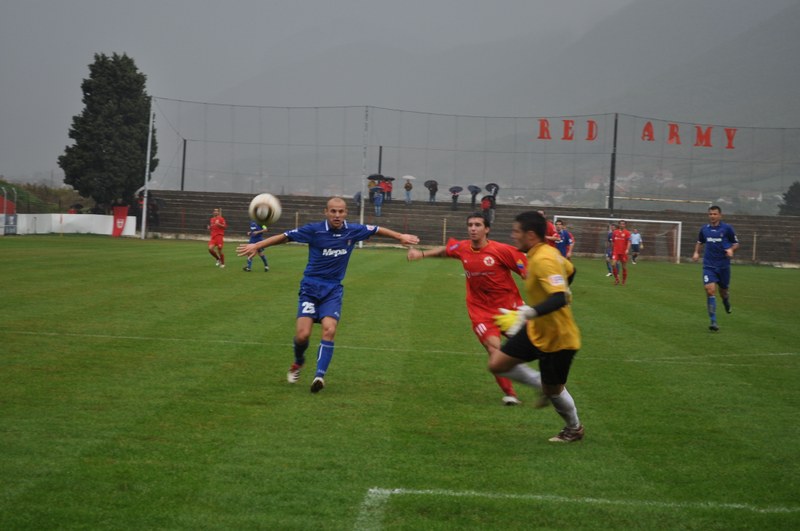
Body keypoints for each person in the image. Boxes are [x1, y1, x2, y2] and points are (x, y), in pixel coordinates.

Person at [236, 197, 420, 393]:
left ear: (346, 213)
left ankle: (319, 377)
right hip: (310, 287)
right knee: (302, 335)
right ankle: (298, 362)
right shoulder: (314, 230)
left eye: (341, 211)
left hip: (332, 290)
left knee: (329, 330)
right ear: (326, 212)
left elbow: (376, 229)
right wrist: (257, 245)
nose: (337, 215)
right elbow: (285, 236)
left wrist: (400, 236)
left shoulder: (353, 230)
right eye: (333, 211)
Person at [407, 212, 538, 406]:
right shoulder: (463, 247)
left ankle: (549, 382)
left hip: (510, 310)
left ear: (487, 229)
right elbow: (447, 250)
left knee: (538, 345)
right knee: (494, 350)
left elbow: (528, 274)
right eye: (470, 225)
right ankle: (510, 394)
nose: (473, 228)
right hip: (481, 312)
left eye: (477, 225)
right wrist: (422, 254)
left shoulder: (503, 250)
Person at [491, 211, 583, 443]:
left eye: (516, 232)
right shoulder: (540, 255)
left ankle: (574, 428)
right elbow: (571, 271)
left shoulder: (544, 259)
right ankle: (538, 384)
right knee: (497, 363)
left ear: (530, 235)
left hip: (558, 337)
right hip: (536, 329)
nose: (513, 236)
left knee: (554, 390)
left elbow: (560, 297)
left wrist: (530, 311)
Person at [691, 205, 739, 332]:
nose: (712, 216)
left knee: (723, 292)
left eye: (714, 214)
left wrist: (731, 250)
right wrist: (696, 253)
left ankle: (726, 301)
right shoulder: (704, 229)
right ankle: (713, 321)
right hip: (709, 266)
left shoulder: (727, 228)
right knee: (710, 290)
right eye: (710, 214)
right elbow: (700, 242)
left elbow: (735, 243)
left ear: (720, 215)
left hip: (723, 266)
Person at [611, 220, 631, 285]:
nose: (622, 225)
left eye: (623, 224)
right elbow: (613, 242)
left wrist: (627, 249)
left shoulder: (627, 233)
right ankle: (617, 279)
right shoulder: (615, 232)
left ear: (625, 225)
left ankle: (624, 281)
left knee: (624, 267)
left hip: (623, 252)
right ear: (619, 225)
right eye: (621, 224)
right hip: (616, 251)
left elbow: (629, 242)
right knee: (613, 264)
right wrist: (612, 249)